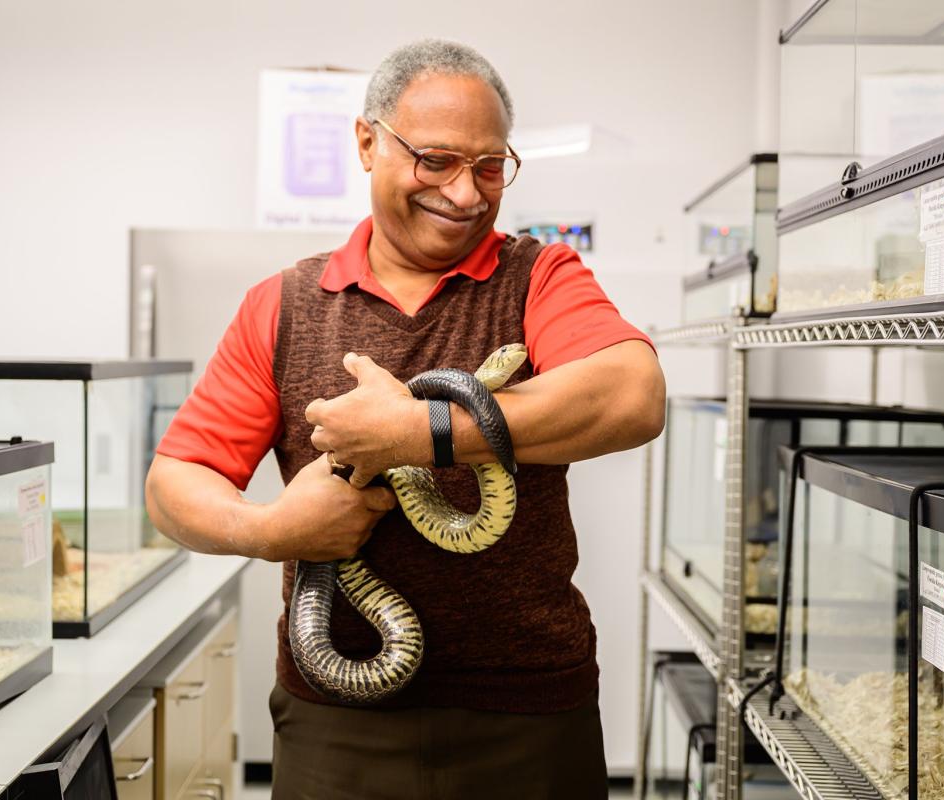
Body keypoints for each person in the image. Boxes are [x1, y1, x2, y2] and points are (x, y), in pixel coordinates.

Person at [147, 38, 665, 800]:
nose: (466, 194)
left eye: (490, 167)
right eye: (436, 160)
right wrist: (271, 532)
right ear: (366, 142)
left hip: (530, 717)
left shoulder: (540, 275)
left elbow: (633, 394)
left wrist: (418, 433)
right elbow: (173, 484)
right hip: (337, 726)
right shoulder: (283, 305)